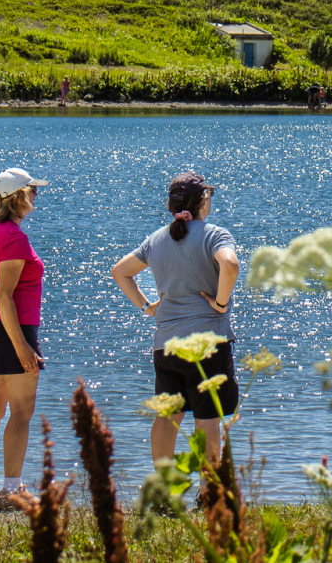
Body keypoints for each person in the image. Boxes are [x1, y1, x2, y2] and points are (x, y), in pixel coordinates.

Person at [112, 173, 240, 465]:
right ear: (203, 201)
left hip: (166, 346)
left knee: (168, 417)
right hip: (207, 343)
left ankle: (163, 492)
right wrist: (220, 304)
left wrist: (147, 307)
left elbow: (120, 271)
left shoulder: (156, 239)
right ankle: (208, 493)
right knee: (208, 419)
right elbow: (230, 264)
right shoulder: (214, 234)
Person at [0, 167, 50, 510]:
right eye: (33, 190)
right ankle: (12, 490)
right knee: (20, 411)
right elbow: (5, 295)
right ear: (18, 196)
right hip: (11, 327)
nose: (36, 195)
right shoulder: (15, 238)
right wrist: (23, 347)